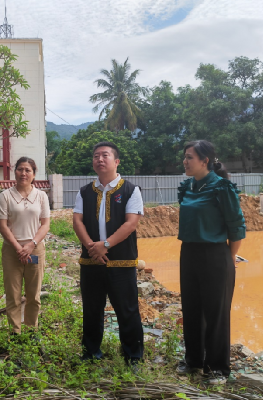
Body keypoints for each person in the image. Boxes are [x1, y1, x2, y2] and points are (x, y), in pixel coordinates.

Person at [176, 140, 246, 385]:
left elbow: (236, 226)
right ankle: (194, 360)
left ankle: (217, 368)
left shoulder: (222, 188)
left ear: (204, 161)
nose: (185, 161)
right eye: (185, 157)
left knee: (216, 312)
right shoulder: (187, 187)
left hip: (215, 254)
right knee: (191, 308)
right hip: (189, 252)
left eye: (189, 157)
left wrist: (230, 256)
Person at [72, 141, 144, 368]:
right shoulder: (84, 192)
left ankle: (133, 356)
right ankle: (90, 352)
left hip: (122, 262)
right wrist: (91, 247)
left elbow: (131, 223)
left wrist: (105, 245)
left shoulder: (131, 190)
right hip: (91, 261)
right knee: (91, 309)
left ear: (116, 161)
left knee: (127, 309)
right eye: (96, 156)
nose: (100, 159)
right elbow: (77, 221)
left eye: (105, 155)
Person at [0, 157, 50, 335]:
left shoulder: (41, 196)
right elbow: (3, 226)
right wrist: (19, 248)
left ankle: (31, 330)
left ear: (34, 174)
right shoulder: (6, 196)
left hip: (35, 250)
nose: (23, 173)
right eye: (20, 169)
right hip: (12, 251)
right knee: (13, 294)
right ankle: (15, 332)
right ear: (15, 172)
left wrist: (31, 245)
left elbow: (45, 225)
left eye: (28, 170)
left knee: (34, 294)